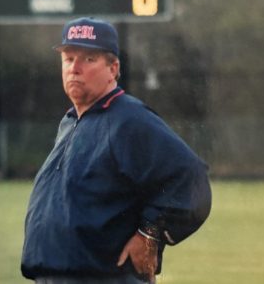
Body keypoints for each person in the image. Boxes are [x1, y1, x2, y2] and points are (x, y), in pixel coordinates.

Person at [21, 17, 212, 284]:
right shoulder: (71, 121)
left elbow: (190, 178)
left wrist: (149, 233)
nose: (74, 68)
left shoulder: (127, 118)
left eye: (88, 59)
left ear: (113, 68)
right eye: (68, 58)